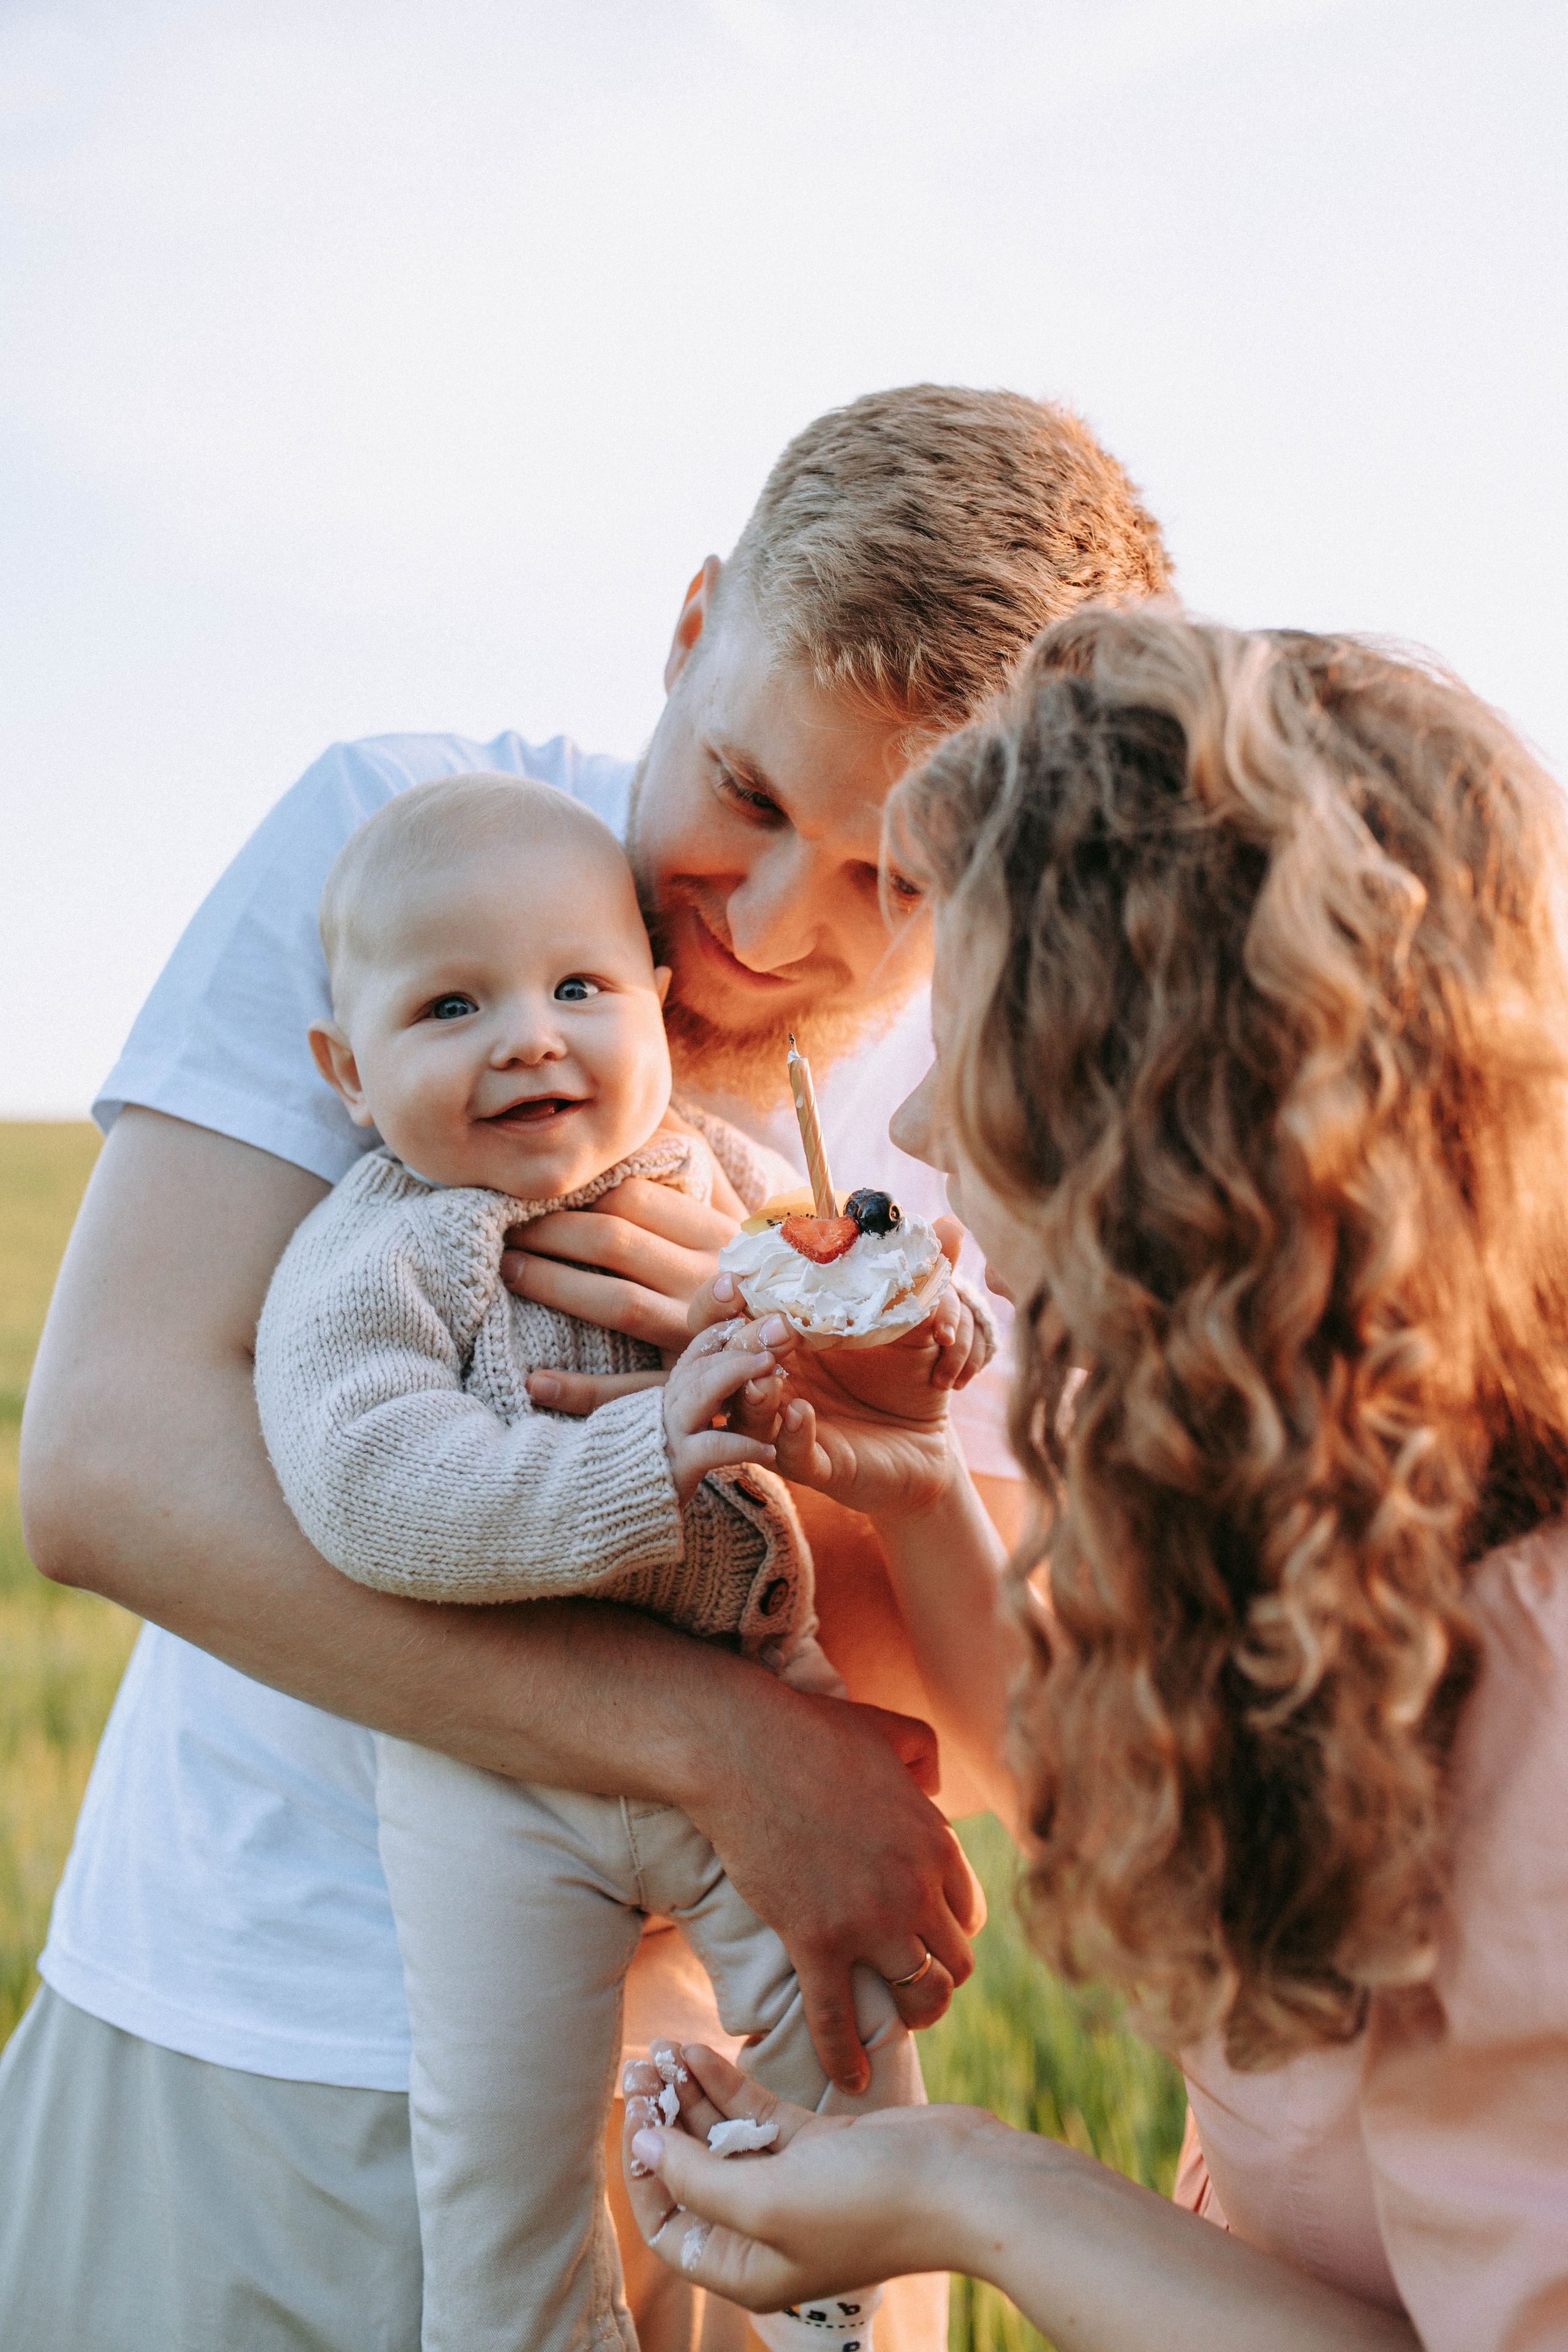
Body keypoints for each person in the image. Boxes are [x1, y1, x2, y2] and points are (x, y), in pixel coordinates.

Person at [6, 384, 1170, 2352]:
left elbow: (1008, 1746)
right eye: (747, 789)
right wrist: (721, 1744)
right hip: (247, 2037)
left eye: (898, 880)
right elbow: (110, 1466)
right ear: (695, 618)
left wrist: (796, 1408)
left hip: (740, 2125)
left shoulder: (991, 1111)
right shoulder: (409, 857)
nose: (781, 927)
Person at [623, 608, 1568, 2352]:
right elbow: (1129, 1796)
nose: (916, 1140)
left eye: (986, 1054)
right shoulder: (1331, 1505)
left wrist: (976, 2190)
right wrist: (915, 1489)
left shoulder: (1542, 1711)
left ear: (1173, 1126)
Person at [257, 771, 987, 2352]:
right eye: (452, 1006)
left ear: (656, 1008)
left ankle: (842, 2322)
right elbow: (367, 1477)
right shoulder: (375, 1249)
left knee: (840, 2032)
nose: (530, 1035)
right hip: (494, 1776)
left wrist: (905, 1328)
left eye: (579, 987)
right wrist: (626, 1463)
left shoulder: (715, 1187)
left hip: (755, 1695)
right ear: (348, 1072)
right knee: (498, 2150)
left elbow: (826, 1312)